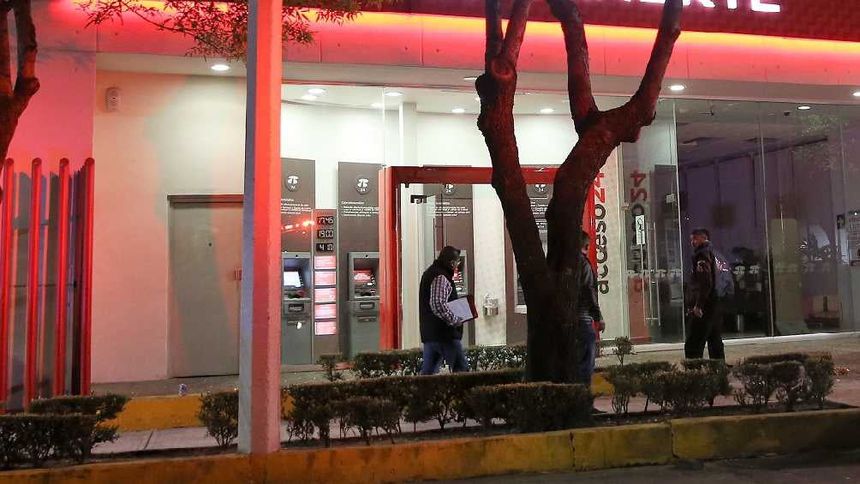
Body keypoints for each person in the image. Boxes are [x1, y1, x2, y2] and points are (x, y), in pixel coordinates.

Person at [419, 246, 468, 375]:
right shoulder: (441, 276)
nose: (457, 265)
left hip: (430, 333)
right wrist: (455, 320)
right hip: (444, 334)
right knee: (461, 370)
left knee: (428, 373)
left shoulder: (429, 273)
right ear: (451, 262)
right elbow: (438, 304)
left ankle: (422, 389)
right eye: (457, 262)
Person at [684, 228, 726, 360]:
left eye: (695, 239)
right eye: (691, 239)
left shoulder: (702, 255)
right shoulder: (716, 254)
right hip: (715, 302)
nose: (692, 242)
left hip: (705, 305)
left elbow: (705, 282)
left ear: (703, 238)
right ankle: (718, 368)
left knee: (694, 342)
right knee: (714, 340)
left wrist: (698, 305)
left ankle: (694, 369)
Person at [575, 230, 605, 388]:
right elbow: (588, 291)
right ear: (586, 246)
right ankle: (584, 395)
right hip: (583, 318)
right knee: (586, 363)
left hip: (569, 320)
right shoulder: (584, 264)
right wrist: (598, 317)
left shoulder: (566, 264)